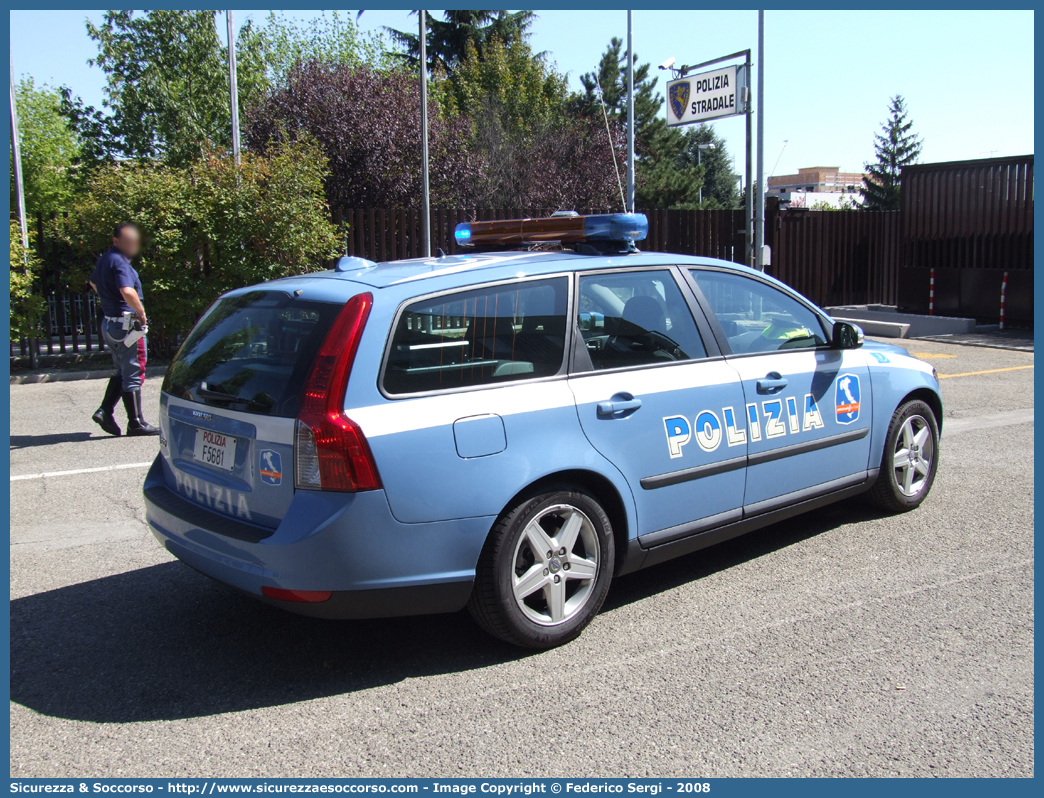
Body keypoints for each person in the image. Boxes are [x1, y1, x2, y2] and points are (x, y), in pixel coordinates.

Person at [88, 223, 160, 437]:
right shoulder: (119, 262)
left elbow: (93, 283)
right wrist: (141, 313)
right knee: (134, 372)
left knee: (122, 370)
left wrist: (109, 300)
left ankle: (105, 411)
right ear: (116, 241)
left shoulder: (105, 259)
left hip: (111, 324)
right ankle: (136, 423)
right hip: (127, 324)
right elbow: (127, 290)